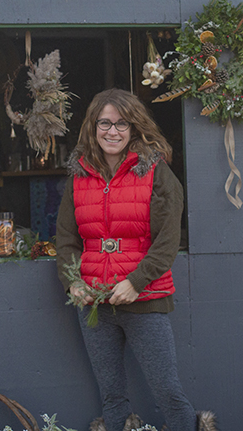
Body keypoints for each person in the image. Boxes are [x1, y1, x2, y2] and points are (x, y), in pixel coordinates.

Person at [56, 89, 212, 431]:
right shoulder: (79, 176)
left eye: (121, 124)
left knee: (168, 393)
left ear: (134, 128)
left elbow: (167, 241)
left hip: (145, 299)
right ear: (92, 127)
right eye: (105, 123)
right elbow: (66, 239)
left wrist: (135, 282)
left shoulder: (156, 173)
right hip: (94, 303)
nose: (112, 131)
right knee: (111, 397)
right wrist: (73, 282)